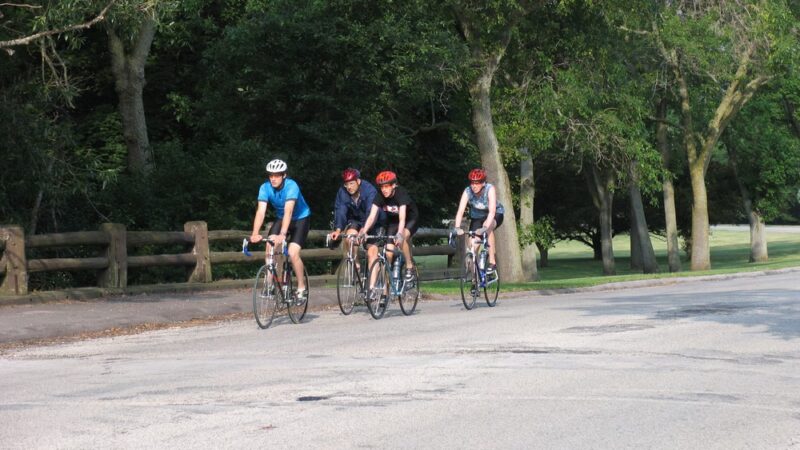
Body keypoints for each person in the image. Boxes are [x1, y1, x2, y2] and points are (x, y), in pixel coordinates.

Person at [249, 159, 311, 300]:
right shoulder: (265, 188)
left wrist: (282, 234)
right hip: (281, 218)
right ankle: (269, 284)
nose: (273, 179)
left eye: (277, 175)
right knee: (270, 245)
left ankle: (301, 287)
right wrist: (255, 233)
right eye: (271, 175)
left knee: (293, 253)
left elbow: (289, 210)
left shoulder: (291, 186)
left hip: (300, 218)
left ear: (284, 175)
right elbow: (261, 212)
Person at [359, 170, 419, 283]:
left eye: (386, 186)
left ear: (394, 185)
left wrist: (400, 234)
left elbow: (402, 218)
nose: (384, 190)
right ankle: (386, 284)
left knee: (402, 238)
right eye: (382, 187)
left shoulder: (401, 193)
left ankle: (409, 267)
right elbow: (372, 216)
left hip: (409, 219)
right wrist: (364, 231)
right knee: (388, 252)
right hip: (393, 222)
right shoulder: (380, 195)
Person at [329, 168, 384, 269]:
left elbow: (370, 211)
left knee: (371, 250)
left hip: (372, 220)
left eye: (351, 183)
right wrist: (338, 230)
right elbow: (340, 210)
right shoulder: (342, 191)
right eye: (346, 184)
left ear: (358, 181)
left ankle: (374, 272)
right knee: (350, 238)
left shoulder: (369, 190)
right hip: (355, 220)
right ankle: (356, 264)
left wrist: (364, 229)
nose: (349, 187)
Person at [453, 168, 504, 274]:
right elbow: (460, 210)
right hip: (477, 218)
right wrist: (457, 228)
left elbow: (492, 212)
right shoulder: (467, 191)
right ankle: (474, 279)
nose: (474, 186)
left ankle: (492, 262)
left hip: (495, 214)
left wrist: (485, 227)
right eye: (472, 183)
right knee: (472, 245)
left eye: (477, 183)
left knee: (488, 227)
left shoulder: (489, 189)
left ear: (483, 183)